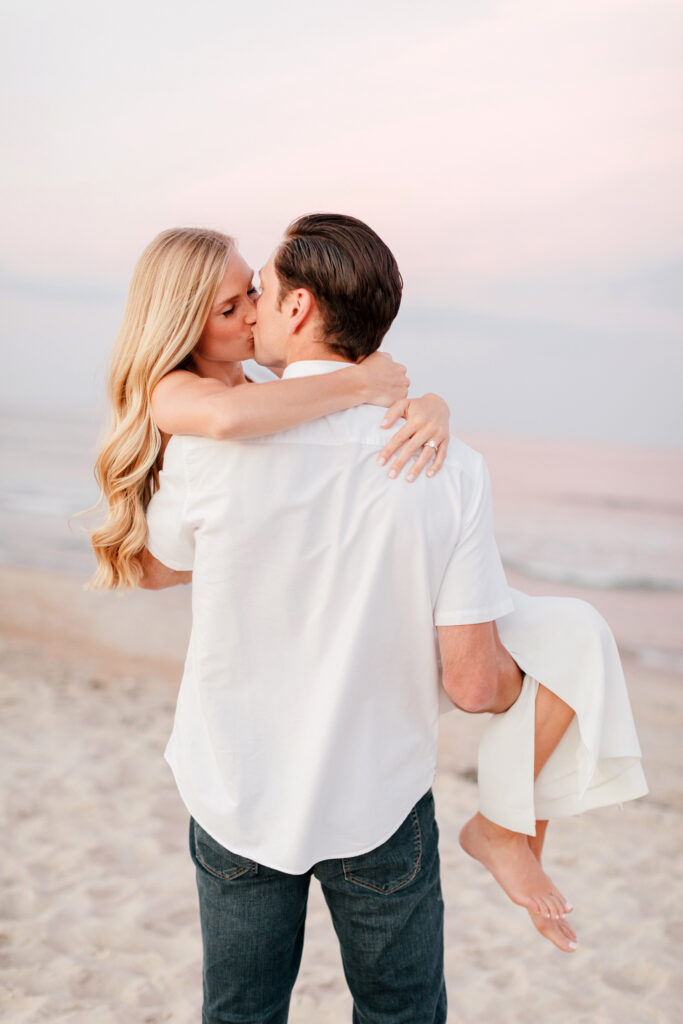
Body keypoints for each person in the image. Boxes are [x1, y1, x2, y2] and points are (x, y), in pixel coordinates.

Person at [91, 214, 646, 1021]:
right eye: (237, 300)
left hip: (237, 784)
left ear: (298, 308)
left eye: (260, 291)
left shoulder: (205, 445)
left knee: (241, 1009)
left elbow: (158, 566)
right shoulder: (444, 461)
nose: (252, 309)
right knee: (400, 1010)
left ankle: (510, 821)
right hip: (375, 798)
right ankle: (509, 823)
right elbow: (472, 685)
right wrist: (524, 683)